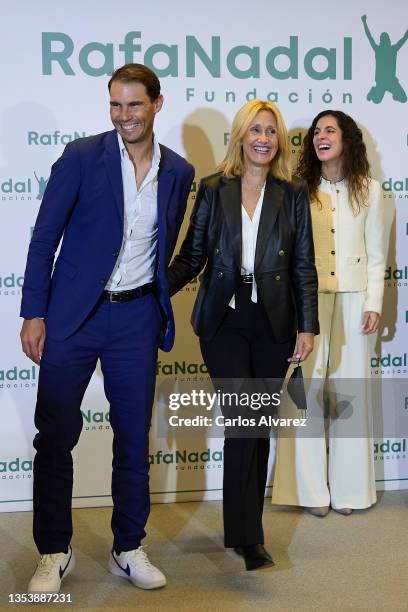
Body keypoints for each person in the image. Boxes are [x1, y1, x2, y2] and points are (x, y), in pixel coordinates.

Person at [20, 63, 194, 593]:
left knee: (133, 438)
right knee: (55, 435)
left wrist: (159, 298)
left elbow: (166, 248)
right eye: (115, 105)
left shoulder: (179, 172)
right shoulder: (80, 157)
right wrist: (34, 312)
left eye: (134, 105)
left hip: (136, 318)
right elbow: (43, 237)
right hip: (73, 315)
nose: (123, 116)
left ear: (157, 104)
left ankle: (128, 546)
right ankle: (53, 550)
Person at [168, 100, 318, 570]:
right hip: (225, 321)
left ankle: (244, 527)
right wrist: (150, 290)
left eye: (271, 132)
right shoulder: (214, 189)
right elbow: (193, 257)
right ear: (241, 136)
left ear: (278, 142)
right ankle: (248, 538)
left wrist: (307, 325)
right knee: (243, 422)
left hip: (274, 322)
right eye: (255, 129)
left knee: (258, 427)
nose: (263, 139)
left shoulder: (292, 193)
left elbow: (302, 266)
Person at [272, 110, 385, 516]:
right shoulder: (298, 189)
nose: (321, 136)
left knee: (349, 395)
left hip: (356, 301)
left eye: (329, 130)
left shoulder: (370, 190)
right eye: (316, 131)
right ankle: (309, 493)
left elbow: (377, 255)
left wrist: (374, 304)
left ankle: (351, 492)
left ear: (346, 138)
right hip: (307, 303)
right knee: (304, 396)